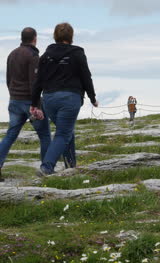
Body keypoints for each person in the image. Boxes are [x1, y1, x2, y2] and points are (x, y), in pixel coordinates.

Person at [31, 22, 98, 176]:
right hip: (70, 98)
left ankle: (70, 166)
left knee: (67, 131)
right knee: (63, 133)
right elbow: (86, 76)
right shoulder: (77, 53)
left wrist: (34, 103)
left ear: (55, 36)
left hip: (49, 100)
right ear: (71, 36)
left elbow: (38, 81)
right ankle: (46, 167)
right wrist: (92, 97)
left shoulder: (45, 56)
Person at [0, 27, 51, 182]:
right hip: (29, 102)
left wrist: (13, 95)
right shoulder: (33, 56)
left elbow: (8, 79)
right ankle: (46, 169)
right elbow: (34, 82)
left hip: (14, 100)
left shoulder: (12, 54)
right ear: (34, 38)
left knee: (10, 135)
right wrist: (36, 105)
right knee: (44, 135)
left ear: (22, 38)